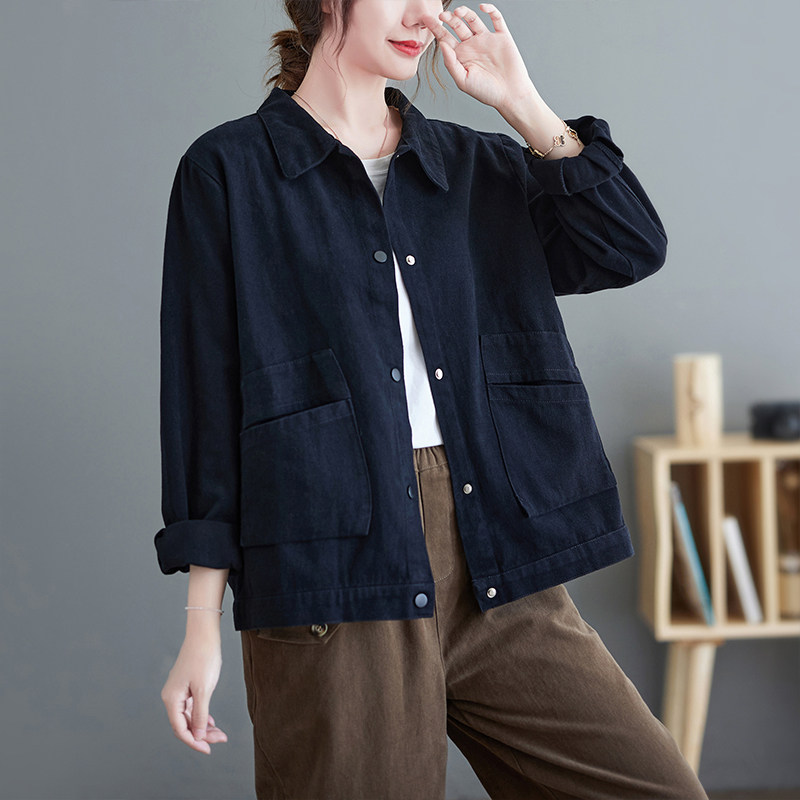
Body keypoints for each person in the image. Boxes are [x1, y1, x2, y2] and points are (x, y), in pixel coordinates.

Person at [156, 1, 710, 798]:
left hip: (497, 557)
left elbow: (628, 246)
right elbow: (204, 402)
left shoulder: (477, 166)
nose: (424, 12)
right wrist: (201, 625)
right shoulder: (230, 171)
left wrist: (522, 102)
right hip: (334, 570)